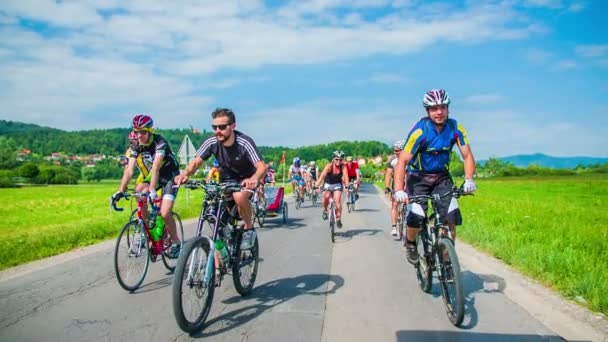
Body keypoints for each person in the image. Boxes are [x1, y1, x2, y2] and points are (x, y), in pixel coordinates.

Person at [393, 89, 477, 264]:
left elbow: (467, 155)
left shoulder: (455, 128)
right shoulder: (420, 132)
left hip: (441, 177)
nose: (439, 112)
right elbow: (402, 161)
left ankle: (447, 261)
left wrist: (469, 178)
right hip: (418, 177)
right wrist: (399, 189)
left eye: (442, 107)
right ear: (427, 111)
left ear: (447, 108)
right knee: (416, 216)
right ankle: (410, 243)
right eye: (434, 108)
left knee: (451, 217)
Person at [174, 108, 266, 250]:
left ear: (233, 126)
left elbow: (261, 167)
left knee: (239, 196)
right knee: (212, 214)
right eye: (215, 127)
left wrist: (253, 179)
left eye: (222, 127)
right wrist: (185, 174)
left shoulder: (244, 142)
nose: (218, 130)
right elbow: (196, 162)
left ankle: (248, 230)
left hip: (245, 179)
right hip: (225, 182)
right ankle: (217, 267)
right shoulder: (212, 141)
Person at [111, 114, 182, 258]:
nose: (139, 135)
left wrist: (152, 190)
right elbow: (129, 170)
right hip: (155, 176)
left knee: (165, 212)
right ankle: (150, 229)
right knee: (138, 191)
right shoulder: (136, 146)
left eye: (142, 132)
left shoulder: (160, 142)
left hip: (170, 176)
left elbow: (155, 167)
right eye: (136, 132)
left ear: (150, 131)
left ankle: (176, 242)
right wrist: (120, 190)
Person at [315, 151, 350, 229]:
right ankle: (325, 210)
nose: (338, 161)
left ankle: (338, 219)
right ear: (333, 159)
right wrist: (316, 185)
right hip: (328, 184)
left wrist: (347, 186)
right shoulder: (329, 166)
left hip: (337, 185)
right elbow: (322, 176)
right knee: (326, 196)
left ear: (342, 160)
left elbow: (346, 176)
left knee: (337, 200)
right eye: (337, 159)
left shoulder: (343, 167)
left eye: (340, 160)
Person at [384, 140, 405, 236]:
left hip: (408, 183)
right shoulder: (392, 160)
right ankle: (393, 227)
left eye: (397, 151)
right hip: (396, 184)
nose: (395, 153)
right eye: (394, 150)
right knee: (395, 204)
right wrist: (387, 187)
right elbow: (388, 174)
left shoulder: (410, 158)